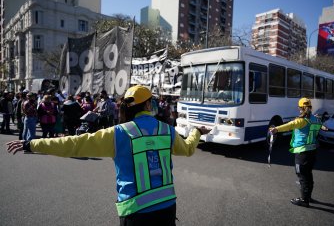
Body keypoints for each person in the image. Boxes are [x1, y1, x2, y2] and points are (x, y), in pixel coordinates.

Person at [6, 85, 210, 226]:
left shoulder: (119, 133)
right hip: (167, 208)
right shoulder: (167, 130)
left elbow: (73, 144)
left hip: (135, 213)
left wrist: (31, 144)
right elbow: (189, 148)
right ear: (148, 105)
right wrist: (197, 132)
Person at [269, 98, 321, 208]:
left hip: (302, 153)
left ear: (300, 108)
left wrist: (276, 129)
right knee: (308, 176)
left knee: (303, 176)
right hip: (312, 151)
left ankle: (304, 200)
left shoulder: (301, 120)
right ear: (310, 107)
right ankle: (308, 197)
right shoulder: (316, 119)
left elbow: (289, 125)